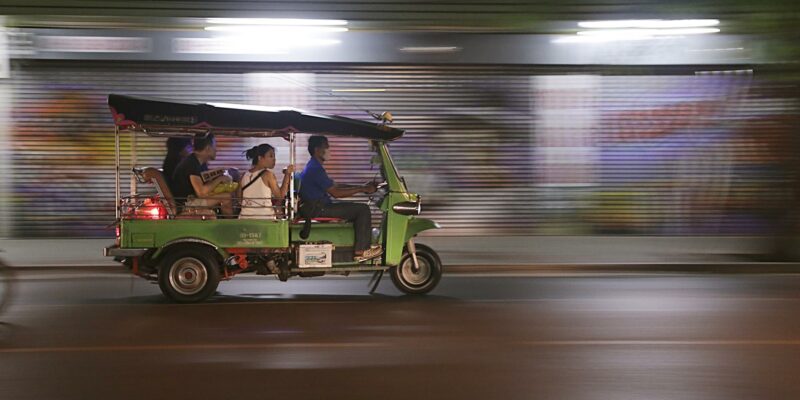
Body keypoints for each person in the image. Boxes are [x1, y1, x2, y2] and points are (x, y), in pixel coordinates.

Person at [299, 135, 382, 261]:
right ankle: (362, 250)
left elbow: (335, 185)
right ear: (317, 150)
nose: (329, 149)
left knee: (357, 207)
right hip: (320, 208)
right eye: (326, 146)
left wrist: (362, 186)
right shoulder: (315, 169)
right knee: (362, 209)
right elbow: (336, 193)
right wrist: (362, 189)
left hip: (319, 206)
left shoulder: (314, 166)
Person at [171, 133, 234, 217]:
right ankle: (230, 225)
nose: (216, 150)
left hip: (192, 199)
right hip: (186, 203)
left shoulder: (200, 163)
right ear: (208, 148)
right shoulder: (191, 163)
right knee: (226, 197)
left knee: (227, 194)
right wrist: (220, 179)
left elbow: (206, 184)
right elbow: (201, 192)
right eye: (214, 146)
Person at [239, 143, 294, 219]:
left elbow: (239, 198)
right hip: (264, 218)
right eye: (271, 156)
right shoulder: (268, 175)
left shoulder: (244, 175)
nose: (274, 159)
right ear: (260, 158)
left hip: (244, 218)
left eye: (274, 156)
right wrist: (287, 174)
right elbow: (280, 196)